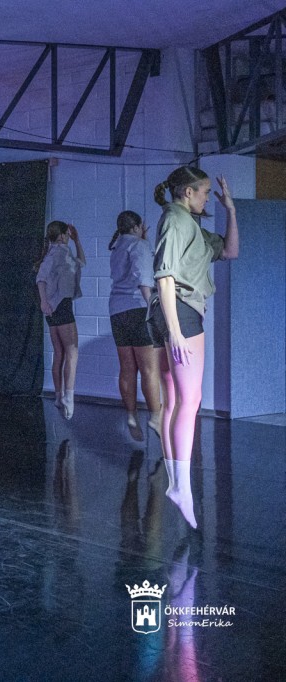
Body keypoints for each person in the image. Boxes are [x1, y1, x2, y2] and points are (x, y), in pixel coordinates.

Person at [148, 168, 238, 529]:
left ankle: (176, 483)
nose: (206, 198)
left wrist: (231, 210)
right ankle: (181, 487)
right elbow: (164, 276)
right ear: (187, 192)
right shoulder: (175, 219)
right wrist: (175, 330)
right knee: (190, 400)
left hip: (174, 313)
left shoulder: (192, 226)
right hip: (179, 313)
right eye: (203, 192)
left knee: (174, 400)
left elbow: (230, 251)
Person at [108, 210, 162, 439]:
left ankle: (131, 415)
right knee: (149, 369)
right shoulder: (139, 246)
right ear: (137, 226)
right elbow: (143, 280)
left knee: (127, 368)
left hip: (117, 311)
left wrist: (142, 240)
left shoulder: (117, 247)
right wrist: (153, 309)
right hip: (138, 308)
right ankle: (156, 416)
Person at [36, 221, 86, 419]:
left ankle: (58, 396)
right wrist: (43, 301)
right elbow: (41, 278)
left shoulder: (60, 252)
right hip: (60, 306)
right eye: (67, 235)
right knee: (72, 352)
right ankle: (68, 397)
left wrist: (77, 241)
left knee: (60, 352)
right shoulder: (58, 253)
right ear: (63, 235)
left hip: (55, 307)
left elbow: (81, 262)